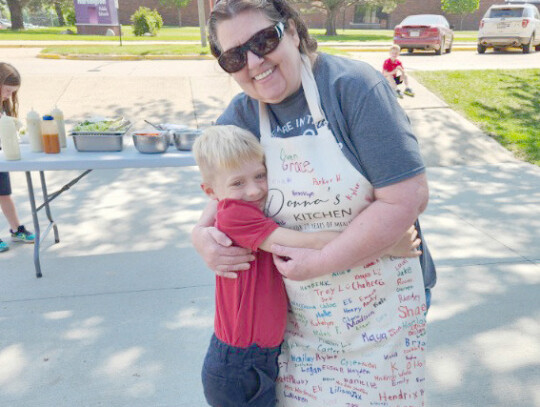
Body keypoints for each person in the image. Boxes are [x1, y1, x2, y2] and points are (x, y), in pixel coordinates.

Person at [192, 0, 437, 405]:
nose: (254, 61)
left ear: (290, 30)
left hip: (380, 307)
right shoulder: (240, 116)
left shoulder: (352, 88)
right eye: (234, 56)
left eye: (264, 40)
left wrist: (322, 263)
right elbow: (221, 198)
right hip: (300, 319)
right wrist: (201, 236)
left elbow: (406, 200)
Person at [192, 124, 422, 407]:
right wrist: (388, 245)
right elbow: (306, 242)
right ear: (210, 191)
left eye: (260, 176)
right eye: (238, 183)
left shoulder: (249, 209)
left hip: (256, 356)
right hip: (240, 364)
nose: (254, 190)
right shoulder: (234, 215)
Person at [0, 62, 35, 253]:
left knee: (4, 194)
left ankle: (16, 229)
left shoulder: (3, 104)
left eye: (12, 92)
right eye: (7, 90)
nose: (9, 96)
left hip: (1, 158)